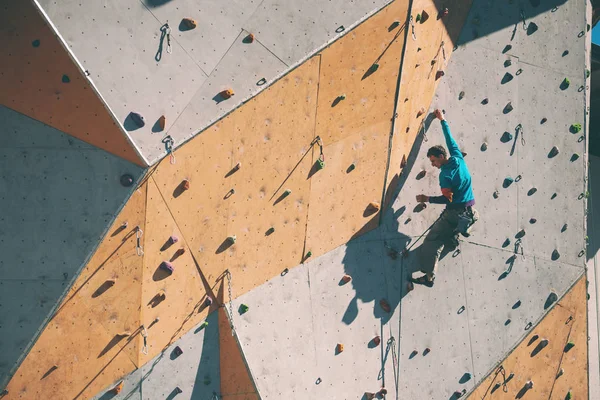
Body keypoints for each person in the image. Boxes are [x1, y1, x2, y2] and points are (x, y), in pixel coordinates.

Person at [411, 109, 478, 287]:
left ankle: (428, 277)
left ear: (441, 157)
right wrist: (442, 119)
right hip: (470, 209)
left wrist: (427, 198)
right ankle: (457, 232)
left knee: (432, 241)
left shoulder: (445, 177)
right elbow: (449, 138)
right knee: (452, 230)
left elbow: (446, 200)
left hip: (454, 213)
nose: (433, 165)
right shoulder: (457, 157)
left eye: (433, 161)